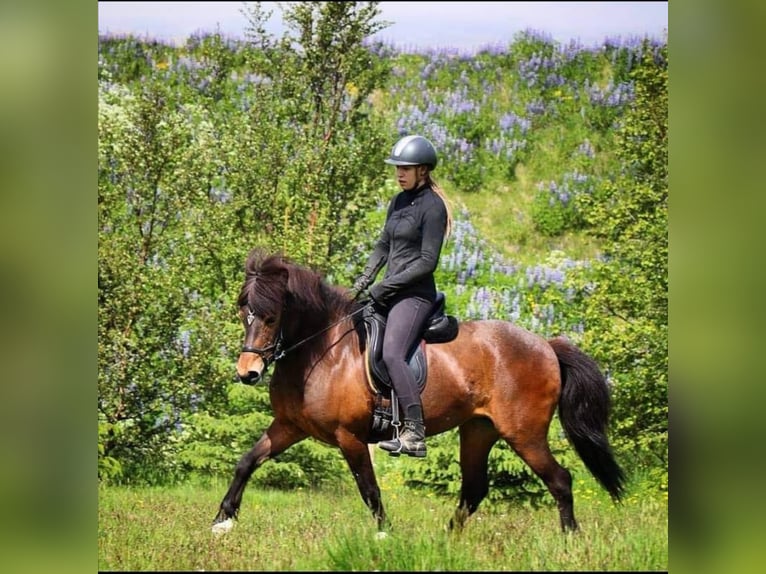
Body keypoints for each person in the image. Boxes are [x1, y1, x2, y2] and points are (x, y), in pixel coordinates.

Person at [351, 134, 452, 458]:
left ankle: (414, 432)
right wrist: (363, 282)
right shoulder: (397, 201)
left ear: (423, 170)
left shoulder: (433, 207)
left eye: (406, 168)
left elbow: (427, 262)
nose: (399, 173)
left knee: (393, 353)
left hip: (415, 296)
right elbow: (383, 245)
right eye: (397, 168)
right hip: (388, 291)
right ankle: (375, 415)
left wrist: (385, 286)